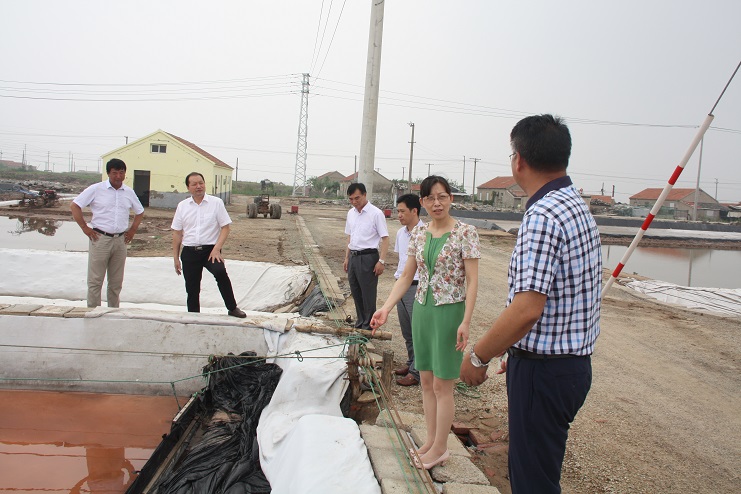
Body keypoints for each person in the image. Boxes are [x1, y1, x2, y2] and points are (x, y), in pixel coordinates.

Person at [459, 114, 602, 493]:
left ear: (519, 160)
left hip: (545, 372)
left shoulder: (542, 216)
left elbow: (526, 309)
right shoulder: (576, 205)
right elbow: (564, 297)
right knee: (540, 470)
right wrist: (516, 348)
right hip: (570, 365)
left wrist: (478, 357)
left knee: (532, 481)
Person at [371, 176, 480, 470]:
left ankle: (441, 448)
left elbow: (472, 281)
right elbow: (407, 275)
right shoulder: (419, 233)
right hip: (422, 310)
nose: (437, 203)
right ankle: (431, 441)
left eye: (442, 196)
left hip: (449, 314)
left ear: (451, 199)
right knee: (427, 383)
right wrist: (386, 308)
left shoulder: (465, 232)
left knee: (443, 385)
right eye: (430, 198)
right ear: (422, 202)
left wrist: (466, 321)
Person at [71, 158, 144, 308]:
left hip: (120, 240)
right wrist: (85, 228)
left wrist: (132, 231)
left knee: (116, 282)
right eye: (114, 173)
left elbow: (140, 211)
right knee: (95, 280)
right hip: (100, 238)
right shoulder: (96, 189)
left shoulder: (128, 192)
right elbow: (75, 206)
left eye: (121, 173)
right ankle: (93, 311)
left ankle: (113, 312)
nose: (118, 176)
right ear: (108, 173)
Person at [171, 172, 247, 318]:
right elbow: (177, 233)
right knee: (192, 287)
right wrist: (175, 258)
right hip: (189, 251)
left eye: (201, 183)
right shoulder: (182, 206)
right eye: (194, 184)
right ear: (188, 187)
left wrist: (217, 249)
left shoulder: (216, 203)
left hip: (210, 251)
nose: (198, 186)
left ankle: (232, 308)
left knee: (220, 273)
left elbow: (225, 227)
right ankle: (194, 316)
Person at [343, 183, 389, 329]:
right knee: (355, 290)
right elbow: (350, 236)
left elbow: (385, 238)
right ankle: (360, 322)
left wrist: (381, 261)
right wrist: (347, 258)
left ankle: (368, 325)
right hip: (353, 256)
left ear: (364, 195)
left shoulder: (376, 214)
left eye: (357, 198)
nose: (354, 202)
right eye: (351, 199)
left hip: (368, 257)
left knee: (367, 293)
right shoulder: (351, 213)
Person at [393, 193, 424, 387]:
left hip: (417, 285)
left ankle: (417, 371)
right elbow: (401, 261)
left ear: (414, 211)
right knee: (407, 331)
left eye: (402, 211)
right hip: (401, 284)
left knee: (418, 331)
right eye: (398, 211)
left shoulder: (426, 233)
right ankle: (411, 362)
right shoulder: (400, 233)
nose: (399, 215)